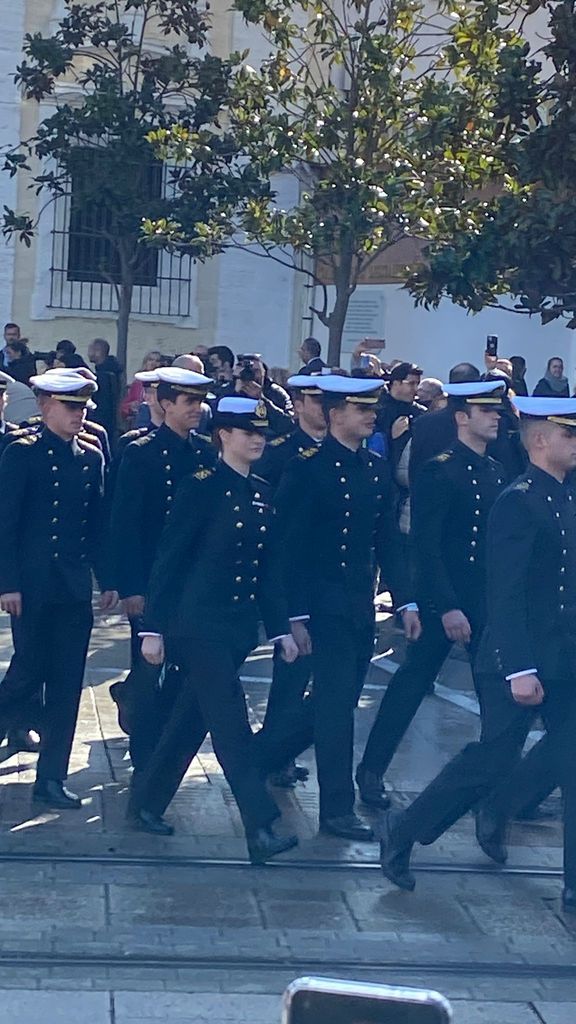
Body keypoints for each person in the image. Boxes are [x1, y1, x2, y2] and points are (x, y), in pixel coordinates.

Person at [378, 396, 576, 913]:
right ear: (540, 441)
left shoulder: (568, 496)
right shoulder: (519, 499)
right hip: (519, 658)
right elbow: (504, 592)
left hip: (567, 656)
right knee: (491, 759)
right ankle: (405, 828)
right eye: (569, 435)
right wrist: (520, 667)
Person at [130, 395, 300, 865]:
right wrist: (153, 628)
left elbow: (266, 572)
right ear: (224, 435)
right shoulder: (200, 487)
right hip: (197, 626)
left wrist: (281, 629)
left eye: (262, 433)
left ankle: (145, 801)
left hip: (235, 629)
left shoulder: (262, 491)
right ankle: (260, 827)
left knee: (192, 719)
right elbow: (170, 560)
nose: (258, 440)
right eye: (249, 433)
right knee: (231, 725)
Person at [272, 374, 421, 840]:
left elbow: (386, 543)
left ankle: (256, 758)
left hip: (358, 606)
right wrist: (292, 616)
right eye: (360, 409)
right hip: (319, 607)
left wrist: (405, 599)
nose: (370, 415)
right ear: (335, 414)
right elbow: (285, 548)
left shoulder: (375, 468)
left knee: (330, 706)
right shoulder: (306, 467)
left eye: (371, 408)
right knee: (336, 711)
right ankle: (336, 809)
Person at [356, 381, 508, 809]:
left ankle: (493, 785)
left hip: (483, 602)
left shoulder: (495, 471)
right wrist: (445, 605)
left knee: (496, 696)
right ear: (462, 417)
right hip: (445, 601)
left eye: (496, 410)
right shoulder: (439, 469)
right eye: (485, 411)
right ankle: (371, 770)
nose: (496, 417)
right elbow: (428, 546)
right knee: (411, 683)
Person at [0, 370, 117, 808]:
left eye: (85, 408)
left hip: (70, 588)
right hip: (30, 588)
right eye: (71, 407)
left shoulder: (90, 457)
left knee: (67, 685)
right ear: (46, 405)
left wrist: (109, 581)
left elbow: (97, 526)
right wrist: (7, 583)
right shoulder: (21, 454)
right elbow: (6, 524)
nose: (80, 416)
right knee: (28, 672)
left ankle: (51, 778)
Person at [110, 366, 217, 736]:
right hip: (152, 577)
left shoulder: (205, 453)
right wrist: (130, 587)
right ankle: (142, 744)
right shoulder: (141, 454)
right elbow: (125, 526)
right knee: (148, 666)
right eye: (188, 401)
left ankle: (157, 734)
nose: (197, 409)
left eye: (201, 401)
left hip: (193, 581)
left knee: (182, 666)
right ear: (166, 403)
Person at [256, 374, 328, 787]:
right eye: (315, 401)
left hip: (330, 580)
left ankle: (279, 749)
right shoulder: (280, 454)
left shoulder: (338, 453)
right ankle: (273, 752)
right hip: (288, 577)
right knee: (291, 671)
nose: (323, 408)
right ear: (298, 404)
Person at [88, 338, 123, 441]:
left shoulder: (103, 376)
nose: (88, 352)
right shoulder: (113, 371)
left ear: (98, 351)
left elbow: (103, 403)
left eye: (91, 349)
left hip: (103, 421)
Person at [120, 351, 165, 425]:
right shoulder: (138, 382)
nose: (153, 363)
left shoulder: (164, 382)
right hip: (140, 417)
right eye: (150, 359)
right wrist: (132, 406)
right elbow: (125, 406)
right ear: (145, 362)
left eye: (157, 361)